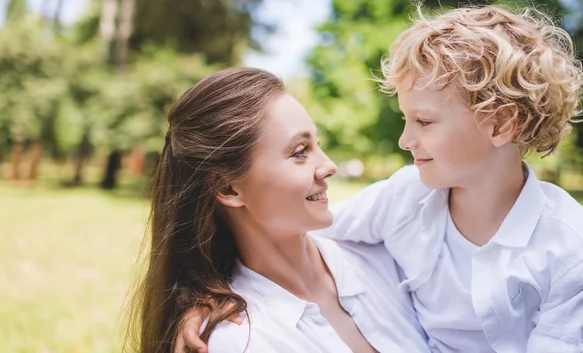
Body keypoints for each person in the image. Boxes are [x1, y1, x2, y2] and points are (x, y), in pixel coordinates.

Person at [178, 5, 583, 353]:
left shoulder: (575, 252)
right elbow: (299, 232)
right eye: (405, 118)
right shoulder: (403, 199)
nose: (404, 139)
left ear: (501, 124)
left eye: (424, 121)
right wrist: (210, 297)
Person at [125, 68, 430, 353]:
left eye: (318, 145)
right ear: (229, 189)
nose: (329, 166)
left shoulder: (382, 252)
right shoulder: (238, 340)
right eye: (300, 152)